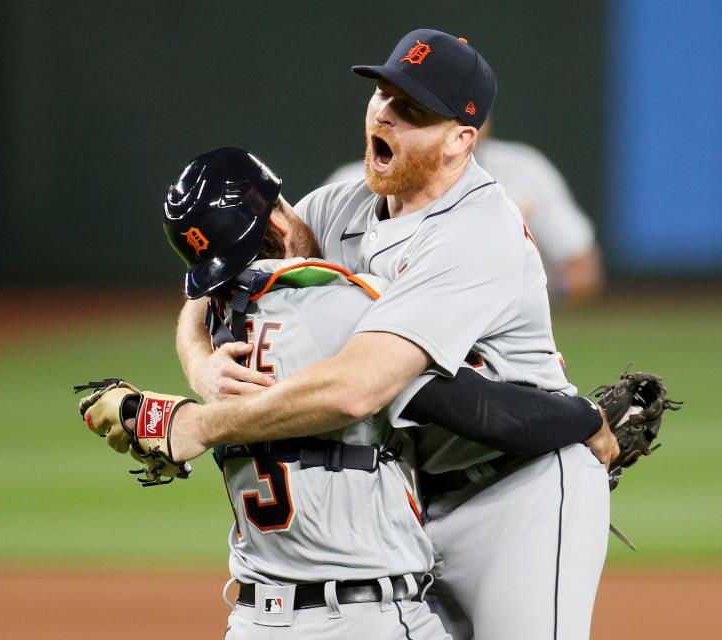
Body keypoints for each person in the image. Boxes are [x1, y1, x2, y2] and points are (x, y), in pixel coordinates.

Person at [169, 30, 611, 639]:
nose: (386, 115)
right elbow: (225, 273)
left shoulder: (476, 233)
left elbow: (358, 389)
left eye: (413, 111)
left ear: (462, 138)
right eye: (382, 94)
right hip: (413, 498)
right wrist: (200, 363)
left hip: (519, 487)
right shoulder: (341, 208)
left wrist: (197, 424)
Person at [324, 116, 605, 307]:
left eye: (471, 114)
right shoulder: (350, 185)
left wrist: (527, 291)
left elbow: (583, 269)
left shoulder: (523, 171)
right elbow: (301, 270)